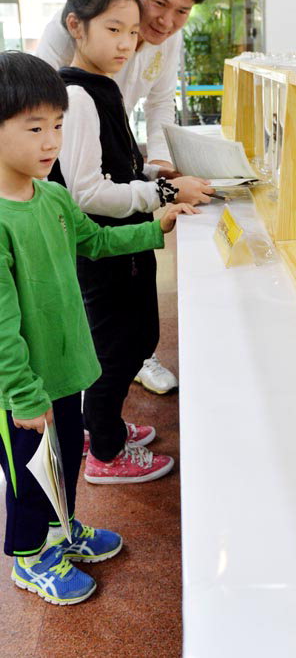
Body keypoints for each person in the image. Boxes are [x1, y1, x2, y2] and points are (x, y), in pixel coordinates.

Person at [0, 51, 196, 604]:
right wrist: (20, 394)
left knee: (62, 461)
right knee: (29, 477)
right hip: (22, 389)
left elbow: (98, 242)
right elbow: (1, 325)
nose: (50, 142)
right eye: (34, 127)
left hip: (65, 372)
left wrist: (155, 227)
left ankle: (64, 534)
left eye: (58, 126)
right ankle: (29, 557)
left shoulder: (55, 198)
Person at [48, 0, 207, 484]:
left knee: (136, 337)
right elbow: (86, 192)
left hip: (125, 238)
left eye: (132, 32)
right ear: (76, 26)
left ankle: (104, 421)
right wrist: (159, 190)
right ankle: (105, 451)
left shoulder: (102, 87)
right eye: (115, 29)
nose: (127, 43)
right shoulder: (75, 94)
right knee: (116, 347)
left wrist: (148, 172)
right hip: (104, 245)